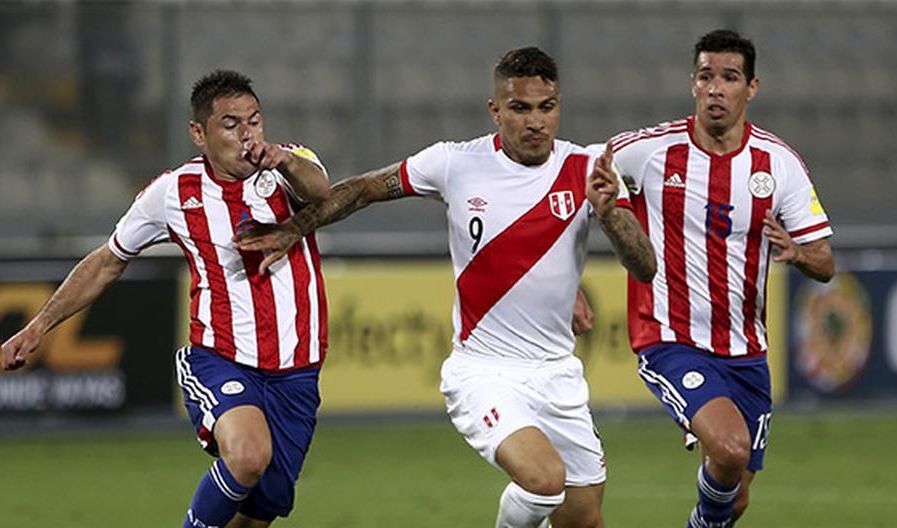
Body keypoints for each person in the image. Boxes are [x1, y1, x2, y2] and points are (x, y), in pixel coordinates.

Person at [234, 47, 656, 527]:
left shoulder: (588, 171)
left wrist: (608, 216)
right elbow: (365, 188)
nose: (536, 121)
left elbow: (644, 268)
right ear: (495, 110)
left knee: (583, 519)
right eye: (520, 108)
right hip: (484, 372)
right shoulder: (455, 163)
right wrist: (296, 228)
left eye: (547, 106)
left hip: (557, 372)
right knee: (542, 481)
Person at [0, 70, 331, 528]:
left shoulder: (291, 168)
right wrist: (38, 325)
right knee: (249, 455)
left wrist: (283, 162)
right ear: (199, 133)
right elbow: (107, 260)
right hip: (222, 358)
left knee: (255, 517)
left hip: (297, 371)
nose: (248, 134)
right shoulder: (173, 193)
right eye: (231, 124)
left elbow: (322, 192)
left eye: (254, 121)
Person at [594, 29, 835, 527]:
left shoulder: (778, 163)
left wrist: (797, 252)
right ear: (693, 84)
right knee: (728, 447)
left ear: (751, 88)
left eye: (729, 78)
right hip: (669, 337)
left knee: (734, 495)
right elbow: (584, 173)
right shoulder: (649, 151)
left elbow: (825, 261)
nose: (716, 89)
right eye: (707, 77)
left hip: (747, 350)